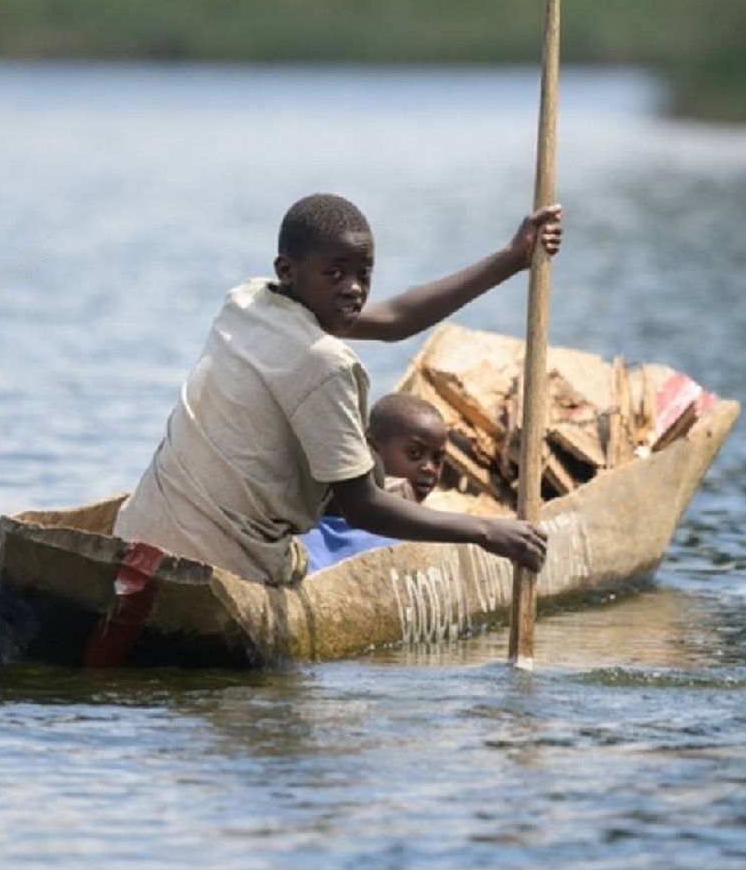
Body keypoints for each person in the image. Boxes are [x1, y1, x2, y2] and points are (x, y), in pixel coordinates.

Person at [113, 192, 561, 585]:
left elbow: (394, 319)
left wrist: (512, 258)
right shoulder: (325, 364)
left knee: (355, 476)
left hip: (136, 535)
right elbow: (363, 507)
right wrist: (485, 532)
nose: (353, 288)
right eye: (335, 273)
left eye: (363, 274)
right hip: (227, 565)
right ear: (287, 271)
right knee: (360, 502)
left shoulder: (248, 301)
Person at [302, 392, 449, 571]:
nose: (429, 468)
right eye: (414, 453)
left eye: (438, 459)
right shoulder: (402, 535)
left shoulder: (305, 529)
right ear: (372, 449)